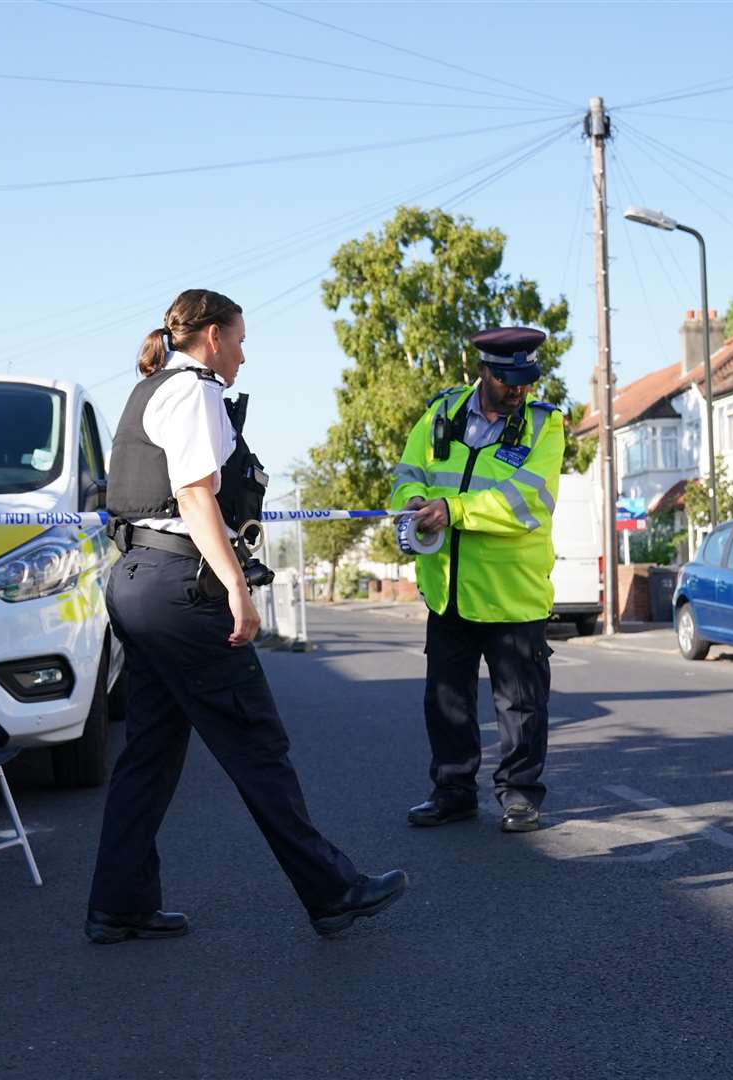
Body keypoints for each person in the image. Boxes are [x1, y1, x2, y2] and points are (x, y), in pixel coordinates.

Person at [86, 288, 408, 943]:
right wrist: (235, 585)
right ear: (209, 335)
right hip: (180, 587)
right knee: (257, 747)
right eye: (236, 338)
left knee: (148, 753)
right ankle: (332, 891)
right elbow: (194, 495)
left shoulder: (148, 389)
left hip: (136, 581)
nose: (241, 352)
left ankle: (118, 906)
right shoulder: (194, 391)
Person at [389, 327, 563, 833]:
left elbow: (527, 500)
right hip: (448, 591)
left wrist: (455, 509)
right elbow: (407, 471)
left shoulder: (543, 426)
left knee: (521, 706)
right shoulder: (440, 413)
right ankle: (452, 792)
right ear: (482, 372)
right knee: (446, 701)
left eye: (526, 381)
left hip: (513, 596)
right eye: (509, 381)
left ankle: (521, 796)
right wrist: (417, 502)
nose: (519, 391)